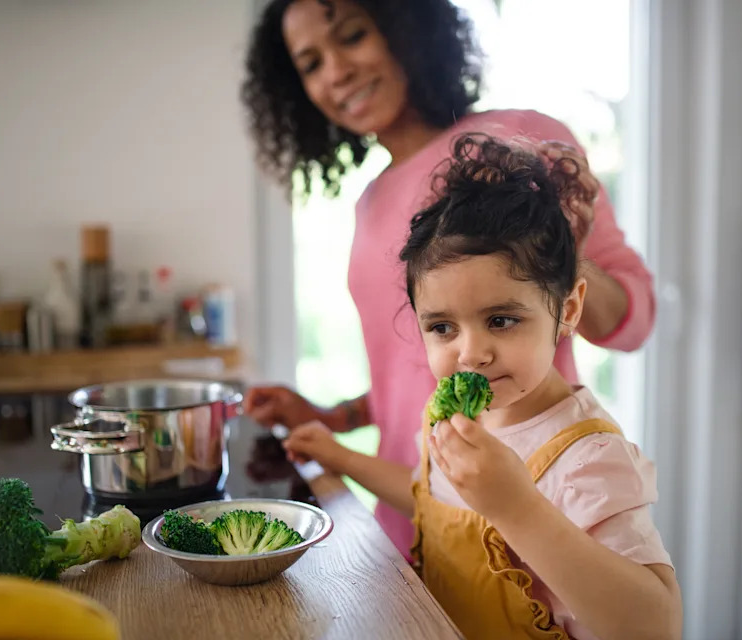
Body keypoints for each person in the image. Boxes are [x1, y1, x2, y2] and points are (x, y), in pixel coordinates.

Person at [241, 0, 656, 557]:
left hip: (511, 521)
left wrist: (552, 239)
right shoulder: (369, 204)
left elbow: (634, 322)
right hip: (403, 520)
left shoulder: (524, 139)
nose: (336, 71)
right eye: (311, 64)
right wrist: (332, 417)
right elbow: (415, 368)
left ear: (406, 30)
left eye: (354, 36)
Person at [280, 134, 681, 640]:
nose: (470, 353)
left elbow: (656, 626)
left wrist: (516, 507)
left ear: (569, 310)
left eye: (501, 319)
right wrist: (338, 456)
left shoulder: (589, 457)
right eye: (443, 327)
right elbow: (433, 500)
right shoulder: (450, 415)